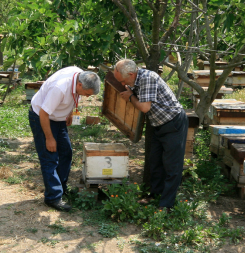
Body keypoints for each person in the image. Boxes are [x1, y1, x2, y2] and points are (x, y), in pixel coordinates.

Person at [113, 59, 188, 211]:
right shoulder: (136, 79)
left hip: (173, 123)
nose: (122, 84)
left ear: (132, 74)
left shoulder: (147, 78)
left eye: (122, 81)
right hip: (159, 124)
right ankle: (154, 195)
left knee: (172, 165)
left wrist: (130, 96)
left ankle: (166, 205)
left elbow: (144, 107)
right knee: (155, 162)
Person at [29, 66, 101, 212]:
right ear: (79, 85)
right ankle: (53, 198)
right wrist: (49, 138)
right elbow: (43, 114)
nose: (86, 97)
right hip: (41, 117)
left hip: (58, 118)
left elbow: (76, 96)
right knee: (50, 157)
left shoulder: (80, 75)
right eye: (87, 94)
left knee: (66, 152)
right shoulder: (59, 88)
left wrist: (69, 113)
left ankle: (61, 188)